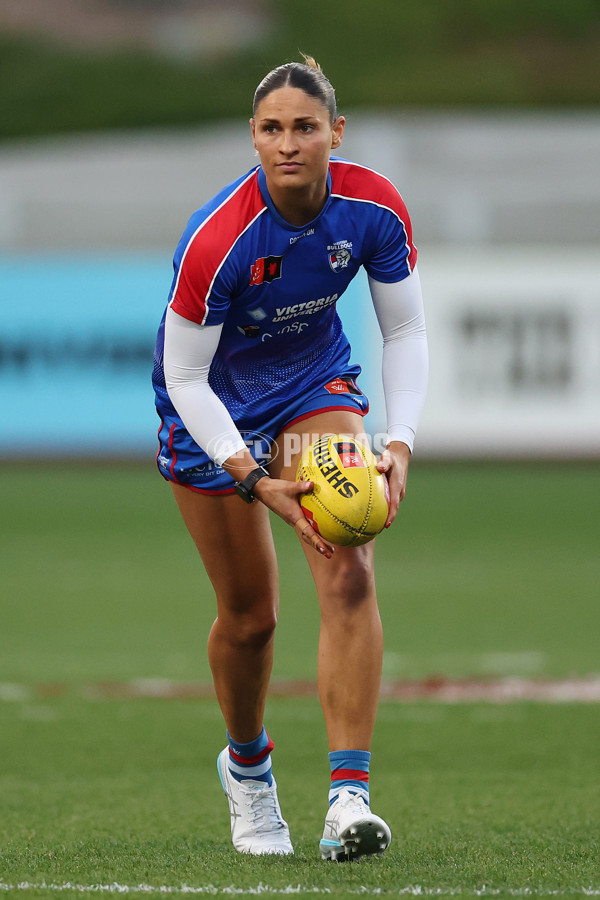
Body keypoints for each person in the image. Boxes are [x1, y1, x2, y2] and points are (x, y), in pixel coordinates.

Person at [152, 55, 428, 861]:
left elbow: (405, 331)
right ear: (253, 137)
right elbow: (184, 374)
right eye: (271, 129)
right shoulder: (217, 240)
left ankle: (349, 799)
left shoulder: (373, 208)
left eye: (305, 127)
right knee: (252, 619)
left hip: (313, 380)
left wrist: (400, 443)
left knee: (349, 561)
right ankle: (247, 769)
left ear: (335, 134)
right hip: (213, 408)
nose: (288, 143)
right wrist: (250, 476)